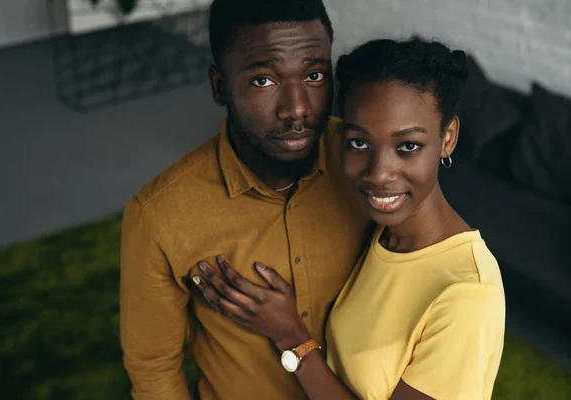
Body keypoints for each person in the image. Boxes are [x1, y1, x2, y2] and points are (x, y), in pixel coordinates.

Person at [192, 38, 506, 400]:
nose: (378, 173)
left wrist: (292, 338)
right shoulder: (385, 235)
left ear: (447, 137)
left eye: (408, 146)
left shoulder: (466, 295)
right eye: (359, 143)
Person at [119, 0, 371, 398]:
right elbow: (153, 368)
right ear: (219, 87)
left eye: (315, 74)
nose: (297, 109)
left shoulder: (367, 164)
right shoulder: (159, 214)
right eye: (263, 81)